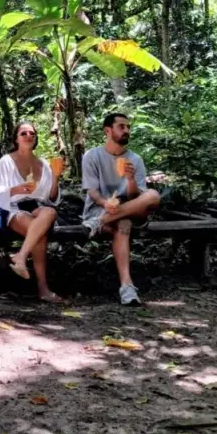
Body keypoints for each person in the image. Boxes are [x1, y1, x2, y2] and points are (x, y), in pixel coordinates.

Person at [82, 112, 161, 305]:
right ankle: (127, 287)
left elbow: (136, 198)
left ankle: (99, 222)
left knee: (153, 195)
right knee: (123, 223)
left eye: (128, 127)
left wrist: (131, 180)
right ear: (107, 131)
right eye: (121, 126)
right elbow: (92, 191)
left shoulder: (135, 159)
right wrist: (105, 204)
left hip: (127, 210)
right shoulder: (92, 156)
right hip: (101, 209)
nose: (126, 130)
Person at [0, 122, 63, 302]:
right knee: (39, 234)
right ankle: (43, 289)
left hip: (38, 207)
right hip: (14, 208)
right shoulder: (6, 161)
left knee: (50, 212)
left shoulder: (43, 164)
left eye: (32, 133)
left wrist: (56, 176)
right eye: (24, 133)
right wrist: (16, 189)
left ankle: (20, 256)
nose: (29, 136)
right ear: (16, 139)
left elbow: (51, 197)